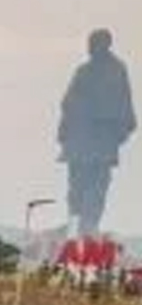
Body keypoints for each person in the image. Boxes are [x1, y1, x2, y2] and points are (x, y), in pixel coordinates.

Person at [58, 29, 137, 237]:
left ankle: (89, 228)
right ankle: (74, 227)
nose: (90, 47)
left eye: (94, 43)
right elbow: (68, 102)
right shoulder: (83, 70)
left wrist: (119, 132)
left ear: (105, 44)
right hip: (80, 139)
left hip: (101, 140)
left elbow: (124, 104)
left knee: (97, 187)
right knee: (76, 187)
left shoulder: (116, 71)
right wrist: (65, 130)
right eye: (89, 43)